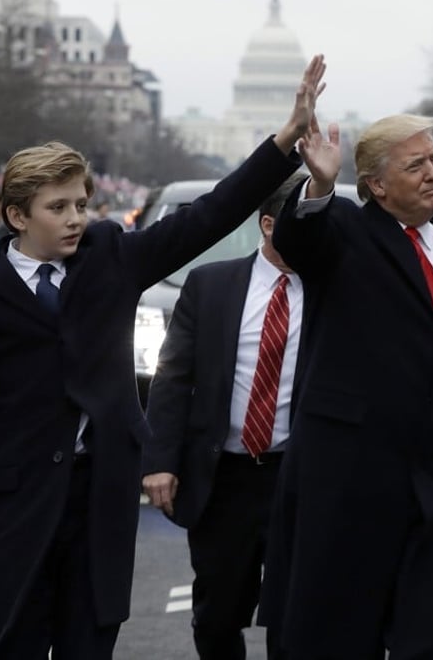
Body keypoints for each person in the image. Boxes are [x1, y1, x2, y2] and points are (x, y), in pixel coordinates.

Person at [0, 54, 329, 660]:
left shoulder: (111, 259)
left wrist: (285, 139)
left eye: (81, 203)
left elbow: (211, 214)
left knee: (90, 646)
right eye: (59, 208)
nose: (76, 218)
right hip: (15, 502)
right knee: (13, 645)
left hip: (100, 497)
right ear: (18, 215)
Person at [259, 113, 433, 659]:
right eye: (414, 165)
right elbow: (301, 241)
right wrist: (321, 184)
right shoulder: (346, 231)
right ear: (376, 184)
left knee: (432, 641)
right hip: (350, 483)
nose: (432, 174)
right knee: (338, 639)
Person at [141, 177, 307, 660]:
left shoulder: (331, 290)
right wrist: (160, 461)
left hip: (296, 479)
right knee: (218, 614)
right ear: (268, 225)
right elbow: (173, 378)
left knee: (295, 615)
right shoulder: (211, 285)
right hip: (224, 479)